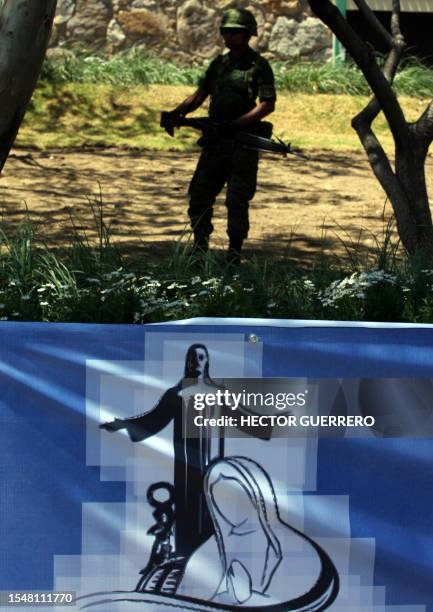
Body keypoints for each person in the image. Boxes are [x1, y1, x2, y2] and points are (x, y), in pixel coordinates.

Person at [165, 8, 277, 264]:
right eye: (225, 31)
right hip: (215, 144)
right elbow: (200, 94)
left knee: (237, 200)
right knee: (200, 196)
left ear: (248, 34)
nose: (229, 36)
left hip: (242, 147)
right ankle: (200, 248)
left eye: (235, 32)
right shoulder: (219, 64)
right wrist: (176, 113)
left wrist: (236, 124)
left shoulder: (259, 66)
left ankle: (234, 255)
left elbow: (267, 104)